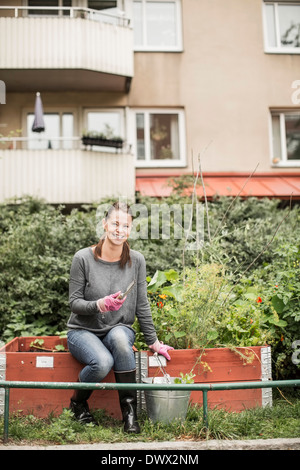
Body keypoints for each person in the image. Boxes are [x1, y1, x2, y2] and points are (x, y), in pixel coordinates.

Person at [67, 201, 174, 433]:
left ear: (130, 230)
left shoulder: (136, 260)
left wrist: (153, 341)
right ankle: (77, 403)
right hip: (83, 331)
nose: (119, 230)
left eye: (125, 226)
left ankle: (130, 416)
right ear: (104, 224)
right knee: (103, 362)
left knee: (119, 339)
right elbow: (74, 303)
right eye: (115, 223)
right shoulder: (83, 258)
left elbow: (142, 303)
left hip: (119, 328)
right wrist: (100, 304)